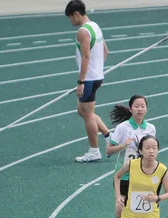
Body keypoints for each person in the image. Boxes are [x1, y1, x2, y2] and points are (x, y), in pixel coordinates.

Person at [65, 0, 111, 162]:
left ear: (77, 14)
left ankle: (94, 151)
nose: (71, 21)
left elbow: (86, 57)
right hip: (96, 76)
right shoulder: (95, 26)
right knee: (83, 111)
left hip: (89, 79)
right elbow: (106, 51)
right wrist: (98, 69)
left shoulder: (83, 32)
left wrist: (81, 82)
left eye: (71, 17)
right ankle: (109, 136)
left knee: (88, 115)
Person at [106, 95, 157, 218]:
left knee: (136, 212)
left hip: (141, 175)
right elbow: (108, 150)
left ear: (146, 109)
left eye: (143, 106)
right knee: (120, 209)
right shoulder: (122, 128)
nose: (140, 109)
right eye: (136, 106)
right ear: (130, 109)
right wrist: (123, 145)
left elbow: (152, 150)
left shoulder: (151, 129)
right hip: (124, 174)